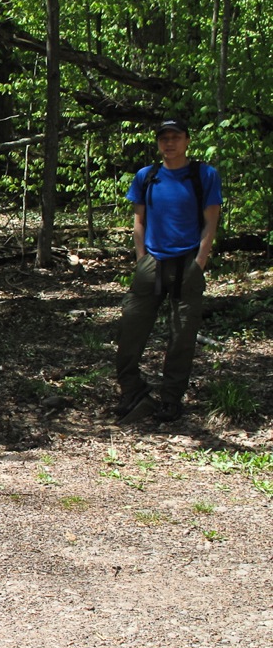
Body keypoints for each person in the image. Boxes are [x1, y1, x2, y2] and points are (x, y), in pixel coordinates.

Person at [114, 117, 223, 424]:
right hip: (152, 263)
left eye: (176, 137)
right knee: (131, 328)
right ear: (158, 142)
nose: (169, 143)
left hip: (187, 263)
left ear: (187, 140)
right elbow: (139, 221)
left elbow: (210, 222)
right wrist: (141, 258)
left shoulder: (203, 175)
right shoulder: (147, 176)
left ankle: (171, 400)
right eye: (164, 138)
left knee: (182, 335)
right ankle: (132, 390)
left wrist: (199, 263)